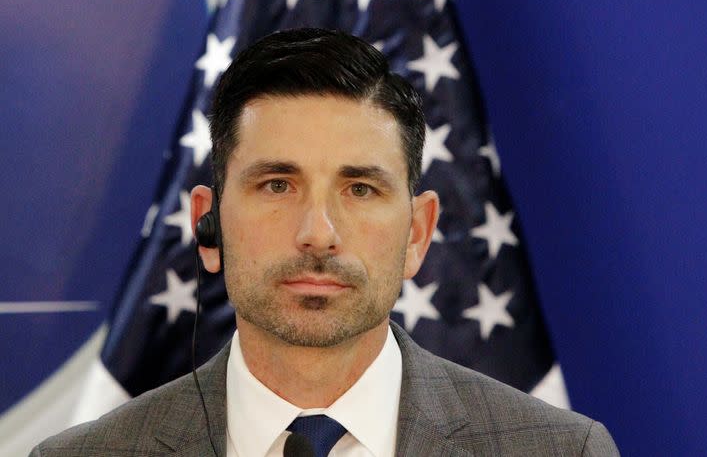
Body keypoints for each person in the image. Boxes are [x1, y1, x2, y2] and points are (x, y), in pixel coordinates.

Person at [30, 28, 619, 456]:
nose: (318, 233)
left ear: (417, 233)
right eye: (278, 184)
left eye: (360, 189)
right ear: (208, 226)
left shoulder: (562, 452)